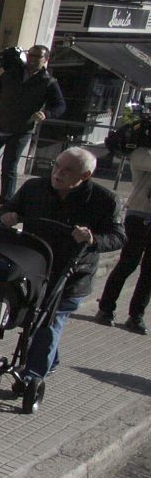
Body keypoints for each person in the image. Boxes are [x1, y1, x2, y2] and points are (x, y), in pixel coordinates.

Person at [0, 147, 124, 383]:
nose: (58, 173)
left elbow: (118, 237)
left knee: (49, 322)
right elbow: (9, 208)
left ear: (85, 176)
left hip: (73, 276)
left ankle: (32, 378)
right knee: (35, 320)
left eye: (68, 171)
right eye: (56, 166)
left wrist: (92, 239)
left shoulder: (105, 200)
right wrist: (8, 216)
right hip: (35, 268)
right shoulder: (35, 187)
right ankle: (50, 359)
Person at [0, 45, 66, 206]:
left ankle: (5, 202)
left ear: (45, 60)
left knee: (9, 166)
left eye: (37, 57)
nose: (32, 59)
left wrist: (46, 114)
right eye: (30, 55)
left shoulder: (48, 82)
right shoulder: (12, 74)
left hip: (21, 130)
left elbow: (60, 106)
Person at [94, 126, 151, 334]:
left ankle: (136, 316)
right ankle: (106, 309)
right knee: (129, 262)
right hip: (140, 214)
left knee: (149, 271)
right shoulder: (142, 152)